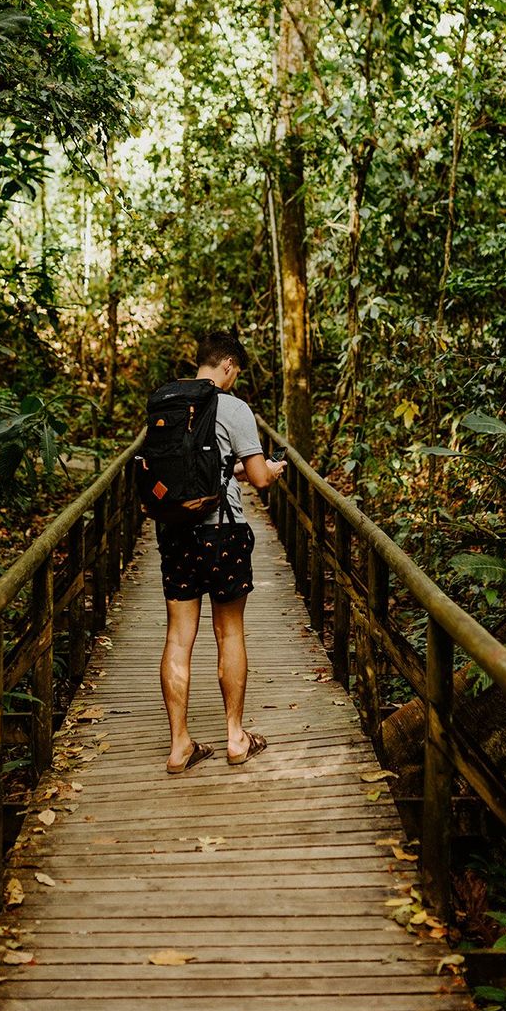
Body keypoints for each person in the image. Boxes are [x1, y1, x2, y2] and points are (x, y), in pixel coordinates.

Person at [157, 329, 286, 774]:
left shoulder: (167, 402)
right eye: (236, 372)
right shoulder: (233, 408)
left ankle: (179, 746)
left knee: (178, 637)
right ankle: (235, 738)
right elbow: (260, 478)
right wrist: (268, 468)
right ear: (228, 364)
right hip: (223, 534)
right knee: (229, 631)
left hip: (175, 531)